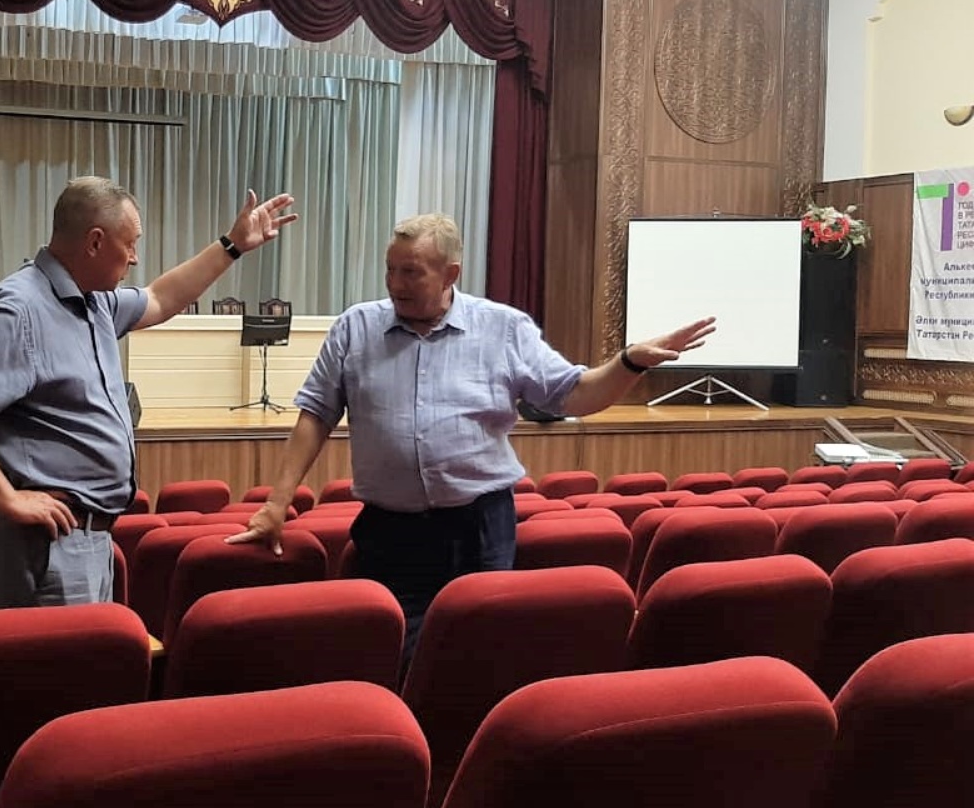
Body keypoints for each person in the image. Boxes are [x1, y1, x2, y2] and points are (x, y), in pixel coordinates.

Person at [227, 214, 715, 657]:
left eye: (411, 272)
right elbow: (316, 414)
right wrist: (277, 503)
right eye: (390, 270)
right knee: (390, 651)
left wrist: (628, 362)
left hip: (478, 527)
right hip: (390, 532)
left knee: (473, 651)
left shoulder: (503, 328)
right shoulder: (356, 327)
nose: (395, 284)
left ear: (451, 274)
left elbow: (575, 395)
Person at [0, 177, 297, 608]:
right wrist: (6, 498)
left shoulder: (94, 300)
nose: (135, 257)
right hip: (48, 545)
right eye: (130, 244)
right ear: (95, 242)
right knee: (54, 655)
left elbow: (161, 297)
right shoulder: (21, 307)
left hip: (88, 539)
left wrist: (232, 246)